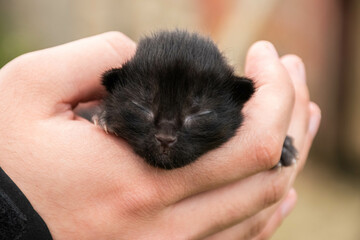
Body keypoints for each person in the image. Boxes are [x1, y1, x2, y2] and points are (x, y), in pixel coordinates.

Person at [0, 32, 320, 239]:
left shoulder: (237, 122)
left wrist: (275, 148)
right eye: (145, 111)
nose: (166, 135)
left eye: (198, 115)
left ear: (238, 103)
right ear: (111, 94)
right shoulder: (93, 120)